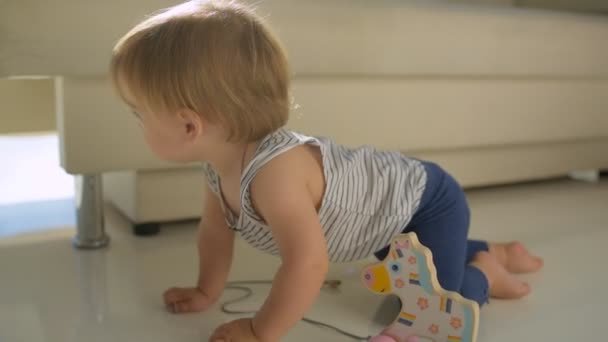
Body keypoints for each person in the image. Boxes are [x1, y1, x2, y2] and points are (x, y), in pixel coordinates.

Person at [109, 1, 544, 341]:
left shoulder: (274, 175)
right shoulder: (217, 168)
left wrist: (261, 332)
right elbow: (214, 234)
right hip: (384, 224)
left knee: (439, 308)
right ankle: (498, 249)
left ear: (190, 125)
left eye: (138, 113)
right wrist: (207, 291)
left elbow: (307, 263)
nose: (136, 121)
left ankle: (486, 271)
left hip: (425, 203)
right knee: (412, 262)